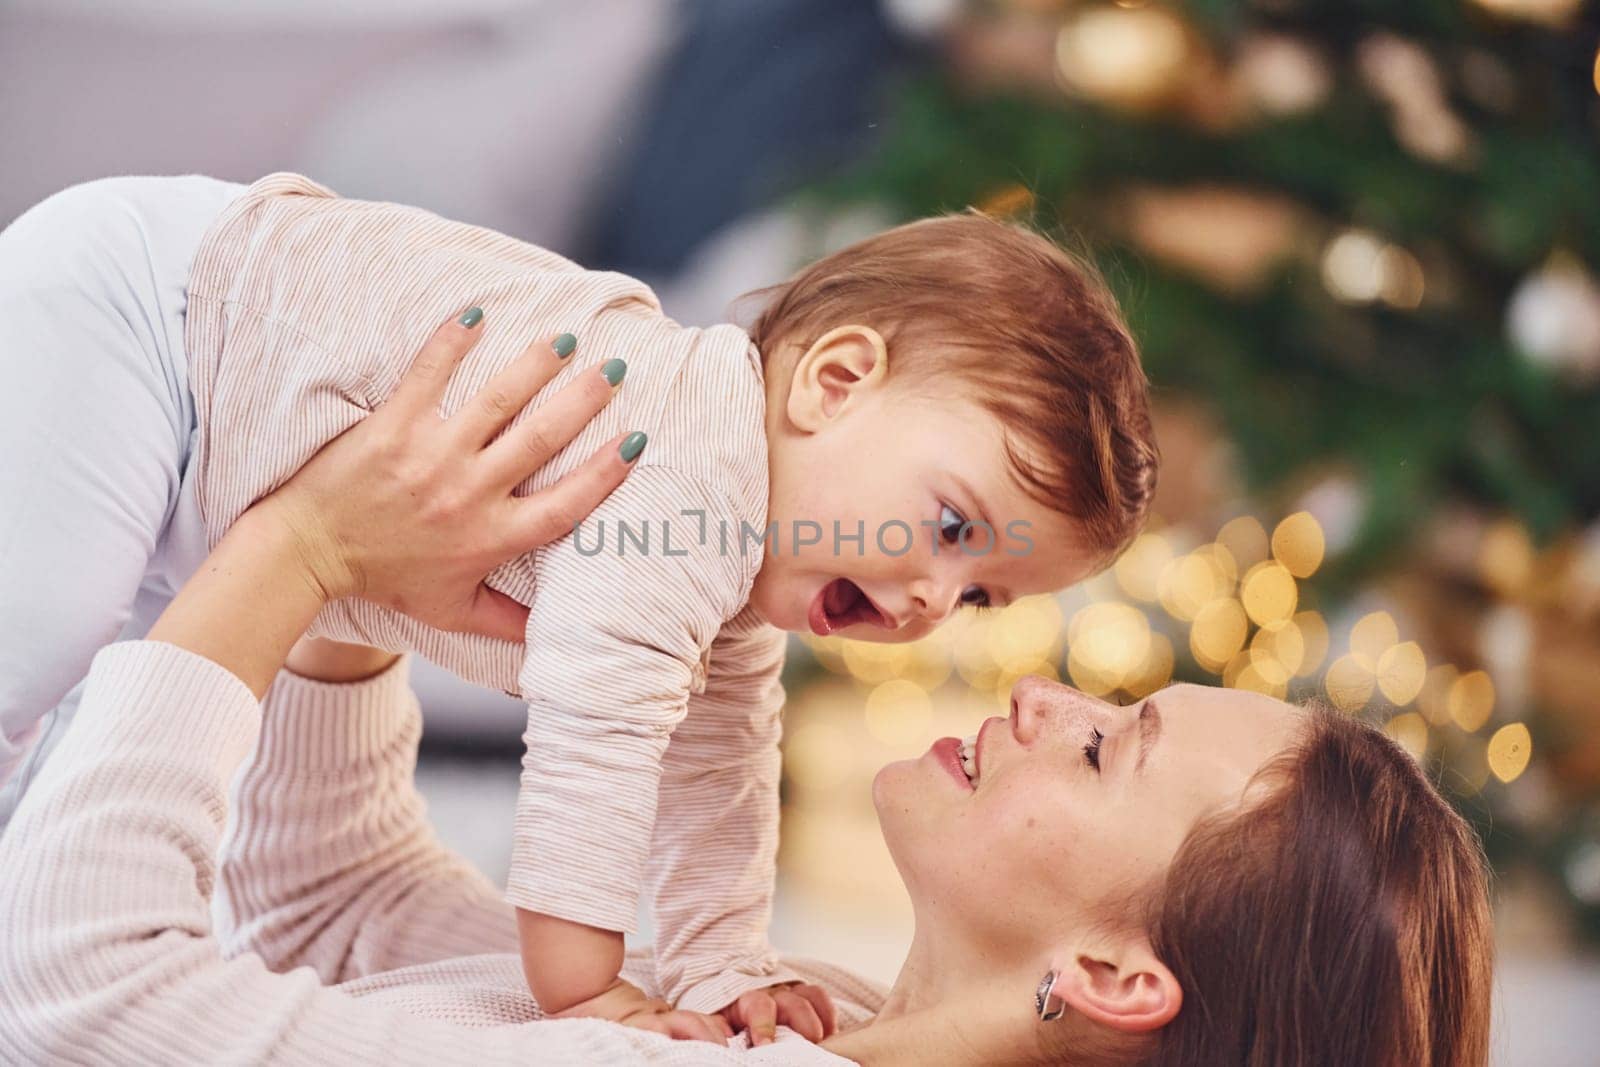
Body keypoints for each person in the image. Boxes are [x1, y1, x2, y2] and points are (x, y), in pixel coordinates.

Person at [0, 315, 1492, 1063]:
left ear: (1113, 976)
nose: (1049, 695)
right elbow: (338, 918)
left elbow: (75, 996)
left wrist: (298, 544)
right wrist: (365, 600)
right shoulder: (789, 1015)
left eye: (1111, 749)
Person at [0, 171, 1158, 1034]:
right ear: (835, 381)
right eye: (952, 526)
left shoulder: (735, 575)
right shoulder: (689, 478)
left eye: (980, 593)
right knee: (36, 654)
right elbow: (593, 741)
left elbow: (716, 773)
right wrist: (585, 983)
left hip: (198, 445)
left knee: (62, 700)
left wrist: (720, 964)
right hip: (155, 320)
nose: (929, 597)